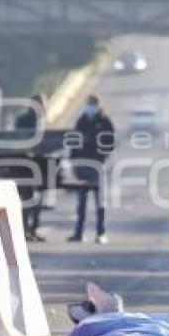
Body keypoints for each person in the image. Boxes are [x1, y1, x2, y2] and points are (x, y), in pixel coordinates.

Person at [67, 94, 116, 244]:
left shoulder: (104, 122)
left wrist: (101, 156)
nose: (90, 107)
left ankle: (101, 232)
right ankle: (78, 232)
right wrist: (73, 161)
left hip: (97, 164)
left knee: (99, 201)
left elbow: (110, 142)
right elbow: (74, 142)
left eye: (92, 104)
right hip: (82, 164)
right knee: (81, 202)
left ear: (98, 106)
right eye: (88, 104)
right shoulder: (82, 121)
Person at [15, 94, 47, 242]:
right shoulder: (26, 120)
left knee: (36, 201)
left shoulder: (41, 121)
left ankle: (31, 229)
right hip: (26, 165)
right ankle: (27, 229)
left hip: (36, 165)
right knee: (28, 200)